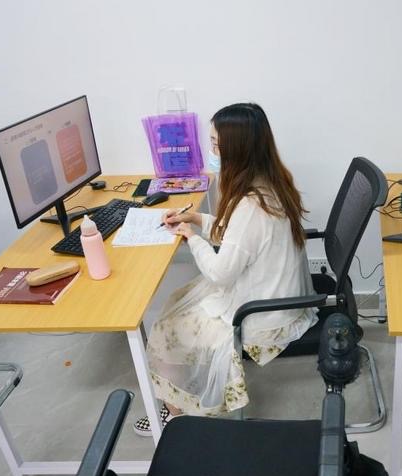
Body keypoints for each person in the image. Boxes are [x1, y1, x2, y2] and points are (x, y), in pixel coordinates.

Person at [134, 103, 317, 435]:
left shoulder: (250, 206)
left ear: (237, 150)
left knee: (165, 328)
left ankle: (176, 415)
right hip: (276, 294)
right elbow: (238, 236)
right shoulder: (271, 182)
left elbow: (221, 272)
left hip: (262, 315)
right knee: (178, 301)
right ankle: (176, 403)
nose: (212, 151)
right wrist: (196, 218)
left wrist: (192, 237)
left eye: (216, 144)